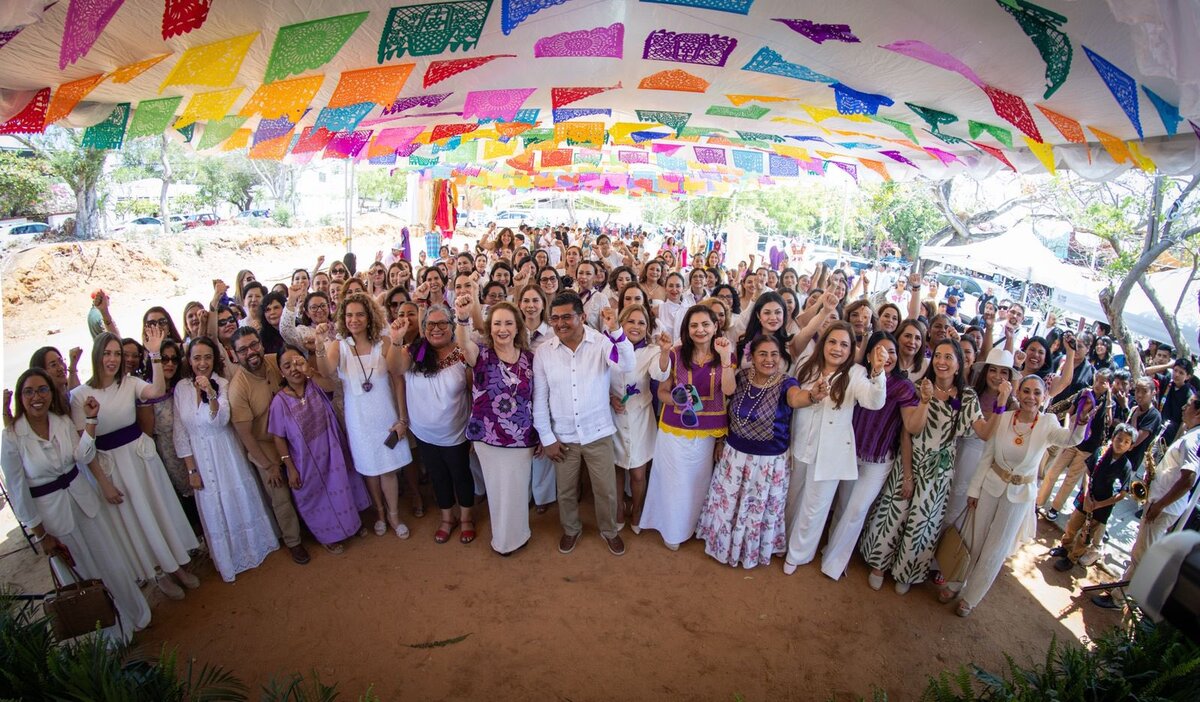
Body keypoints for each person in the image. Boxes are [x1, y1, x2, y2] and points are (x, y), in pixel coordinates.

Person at [2, 368, 152, 642]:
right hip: (52, 517)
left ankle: (135, 615)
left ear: (50, 393)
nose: (37, 397)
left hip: (84, 502)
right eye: (29, 391)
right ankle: (111, 636)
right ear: (20, 397)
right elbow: (17, 491)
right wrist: (40, 534)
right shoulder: (12, 437)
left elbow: (82, 455)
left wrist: (91, 421)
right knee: (81, 575)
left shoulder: (60, 422)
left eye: (42, 389)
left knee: (110, 560)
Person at [860, 339, 1004, 594]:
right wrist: (906, 474)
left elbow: (984, 433)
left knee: (922, 523)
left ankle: (907, 571)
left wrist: (1001, 404)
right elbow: (907, 433)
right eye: (938, 355)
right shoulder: (917, 389)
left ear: (959, 365)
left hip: (939, 471)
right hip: (910, 461)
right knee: (894, 514)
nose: (941, 361)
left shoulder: (967, 397)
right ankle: (878, 566)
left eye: (949, 357)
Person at [70, 330, 200, 600]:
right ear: (97, 356)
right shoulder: (80, 395)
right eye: (107, 353)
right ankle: (159, 575)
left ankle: (177, 566)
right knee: (137, 521)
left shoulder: (129, 383)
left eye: (117, 353)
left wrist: (154, 355)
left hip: (140, 460)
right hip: (111, 467)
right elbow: (85, 448)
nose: (113, 359)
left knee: (157, 512)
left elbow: (157, 390)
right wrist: (103, 483)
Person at [947, 375, 1092, 616]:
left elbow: (1070, 439)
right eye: (1026, 391)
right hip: (991, 486)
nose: (1031, 397)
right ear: (1017, 393)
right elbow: (987, 456)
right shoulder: (1003, 418)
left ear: (1044, 396)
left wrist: (1082, 420)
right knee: (974, 538)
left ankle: (971, 598)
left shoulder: (1048, 423)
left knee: (996, 548)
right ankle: (954, 584)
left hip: (1019, 495)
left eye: (1037, 392)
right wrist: (974, 490)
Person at [821, 332, 933, 581]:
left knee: (857, 510)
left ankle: (835, 563)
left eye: (891, 351)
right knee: (842, 506)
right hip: (849, 452)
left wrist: (925, 402)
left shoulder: (902, 387)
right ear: (870, 355)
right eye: (880, 350)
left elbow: (912, 427)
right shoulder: (857, 376)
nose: (886, 356)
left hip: (879, 460)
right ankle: (832, 550)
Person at [532, 292, 634, 556]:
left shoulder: (601, 342)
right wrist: (547, 438)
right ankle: (571, 529)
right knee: (565, 491)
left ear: (583, 316)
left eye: (567, 316)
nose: (560, 323)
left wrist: (617, 331)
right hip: (562, 437)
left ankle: (609, 530)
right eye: (554, 318)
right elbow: (540, 398)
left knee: (606, 490)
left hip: (598, 432)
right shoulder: (544, 352)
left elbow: (626, 364)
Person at [783, 321, 889, 574]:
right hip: (800, 445)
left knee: (815, 508)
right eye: (832, 342)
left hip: (830, 454)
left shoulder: (857, 373)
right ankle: (782, 543)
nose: (837, 349)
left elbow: (874, 401)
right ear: (824, 343)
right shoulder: (808, 364)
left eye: (844, 344)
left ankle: (797, 555)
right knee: (792, 498)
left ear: (852, 348)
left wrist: (878, 372)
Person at [174, 337, 280, 582]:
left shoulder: (222, 383)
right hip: (200, 456)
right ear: (189, 360)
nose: (202, 363)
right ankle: (229, 559)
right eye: (197, 357)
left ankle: (255, 548)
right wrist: (192, 470)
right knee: (214, 507)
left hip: (226, 453)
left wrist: (211, 394)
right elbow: (180, 432)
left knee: (238, 497)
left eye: (208, 357)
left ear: (215, 359)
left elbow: (220, 419)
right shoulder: (181, 388)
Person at [695, 335, 805, 568]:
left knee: (756, 509)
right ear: (752, 357)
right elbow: (726, 396)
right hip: (734, 456)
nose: (769, 359)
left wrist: (813, 396)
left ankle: (750, 551)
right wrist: (720, 441)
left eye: (774, 354)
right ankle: (723, 546)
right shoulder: (742, 377)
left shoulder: (788, 383)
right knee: (730, 504)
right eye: (762, 354)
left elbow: (796, 400)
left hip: (768, 464)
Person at [315, 293, 412, 539]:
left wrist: (402, 418)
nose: (354, 319)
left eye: (359, 314)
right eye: (349, 315)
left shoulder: (384, 342)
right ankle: (379, 513)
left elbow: (397, 372)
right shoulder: (339, 346)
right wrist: (318, 344)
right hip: (358, 419)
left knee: (388, 470)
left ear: (369, 317)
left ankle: (393, 515)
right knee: (370, 470)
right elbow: (326, 371)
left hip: (384, 414)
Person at [642, 305, 737, 551]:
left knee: (698, 482)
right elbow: (662, 393)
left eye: (705, 324)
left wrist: (726, 359)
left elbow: (728, 391)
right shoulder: (675, 353)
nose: (700, 330)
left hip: (708, 432)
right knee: (674, 482)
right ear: (686, 329)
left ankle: (691, 526)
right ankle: (672, 530)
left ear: (716, 326)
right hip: (674, 430)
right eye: (694, 325)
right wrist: (680, 400)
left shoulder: (726, 354)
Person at [1092, 397, 1199, 609]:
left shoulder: (1193, 439)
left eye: (1189, 404)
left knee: (1142, 554)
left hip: (1163, 507)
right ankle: (1120, 590)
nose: (1184, 407)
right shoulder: (1192, 435)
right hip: (1162, 503)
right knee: (1140, 551)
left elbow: (1188, 479)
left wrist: (1158, 505)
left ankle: (1119, 598)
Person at [454, 298, 537, 556]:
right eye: (498, 323)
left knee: (518, 486)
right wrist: (462, 318)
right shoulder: (480, 353)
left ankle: (519, 533)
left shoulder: (531, 359)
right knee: (497, 488)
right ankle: (502, 540)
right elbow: (463, 345)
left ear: (517, 327)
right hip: (487, 436)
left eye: (509, 323)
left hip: (522, 436)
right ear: (490, 328)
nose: (503, 329)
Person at [268, 345, 370, 555]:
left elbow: (331, 385)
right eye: (287, 366)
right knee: (315, 497)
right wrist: (290, 467)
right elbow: (278, 437)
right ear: (281, 371)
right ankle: (327, 537)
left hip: (332, 450)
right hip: (304, 461)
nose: (294, 369)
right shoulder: (279, 402)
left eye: (297, 362)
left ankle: (352, 524)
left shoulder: (314, 383)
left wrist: (310, 372)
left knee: (342, 486)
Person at [388, 304, 474, 544]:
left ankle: (466, 518)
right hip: (425, 433)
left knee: (461, 476)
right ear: (424, 328)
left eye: (442, 323)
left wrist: (475, 433)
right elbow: (394, 369)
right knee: (438, 477)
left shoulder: (462, 354)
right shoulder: (411, 352)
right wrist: (396, 340)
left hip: (456, 433)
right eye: (430, 324)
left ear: (451, 326)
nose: (436, 329)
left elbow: (473, 393)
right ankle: (448, 518)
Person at [228, 327, 311, 565]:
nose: (250, 352)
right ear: (235, 355)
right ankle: (294, 541)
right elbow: (245, 436)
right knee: (281, 494)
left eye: (253, 345)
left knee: (305, 481)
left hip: (292, 437)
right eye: (243, 350)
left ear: (261, 344)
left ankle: (315, 524)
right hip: (264, 445)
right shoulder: (238, 388)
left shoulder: (276, 361)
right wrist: (268, 466)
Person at [1050, 424, 1134, 571]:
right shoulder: (1101, 451)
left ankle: (1072, 559)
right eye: (1119, 439)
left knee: (1085, 536)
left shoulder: (1126, 466)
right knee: (1072, 525)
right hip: (1086, 499)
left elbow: (1122, 493)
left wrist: (1098, 505)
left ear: (1131, 446)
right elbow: (1088, 472)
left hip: (1101, 508)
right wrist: (1087, 495)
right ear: (1113, 438)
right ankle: (1065, 547)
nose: (1121, 444)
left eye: (1126, 442)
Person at [1037, 369, 1119, 521]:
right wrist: (1068, 429)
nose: (1097, 385)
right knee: (1053, 472)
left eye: (1102, 382)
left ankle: (1055, 508)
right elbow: (1070, 412)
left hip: (1089, 447)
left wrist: (1107, 398)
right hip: (1072, 441)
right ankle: (1039, 501)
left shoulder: (1110, 403)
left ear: (1109, 384)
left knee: (1071, 479)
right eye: (1097, 380)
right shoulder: (1085, 393)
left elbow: (1109, 421)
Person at [609, 304, 660, 533]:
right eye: (631, 321)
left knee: (638, 471)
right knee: (617, 468)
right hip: (614, 417)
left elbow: (660, 374)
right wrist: (610, 397)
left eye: (642, 323)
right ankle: (619, 508)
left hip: (640, 417)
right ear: (622, 323)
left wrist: (666, 352)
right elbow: (597, 378)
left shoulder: (652, 351)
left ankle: (638, 509)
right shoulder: (608, 346)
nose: (636, 327)